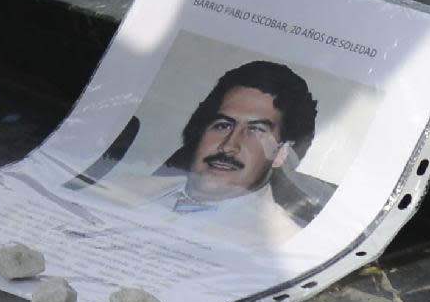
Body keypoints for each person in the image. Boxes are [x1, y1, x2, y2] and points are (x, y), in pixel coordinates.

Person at [104, 62, 324, 249]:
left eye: (256, 131)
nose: (228, 146)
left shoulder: (282, 244)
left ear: (281, 153)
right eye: (222, 125)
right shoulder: (117, 187)